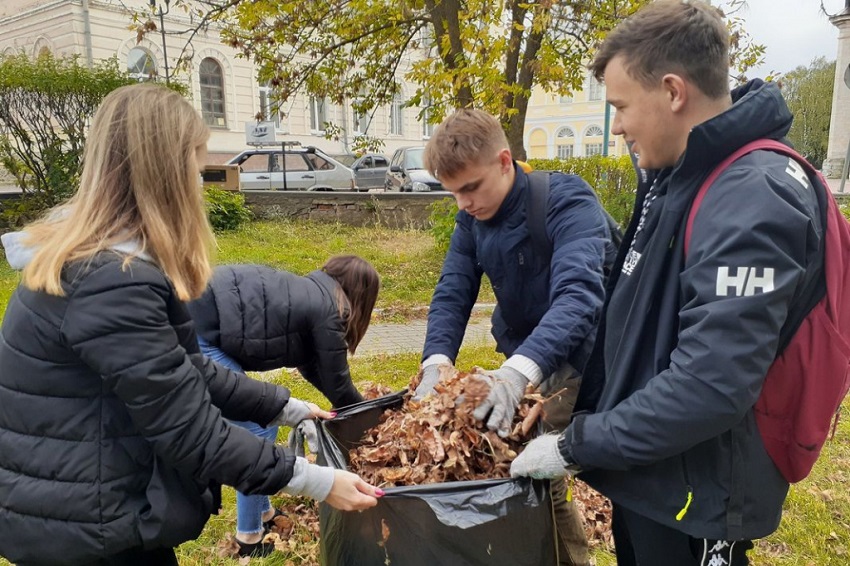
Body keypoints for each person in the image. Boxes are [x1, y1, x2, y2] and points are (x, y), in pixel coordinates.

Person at [0, 84, 381, 566]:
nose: (200, 185)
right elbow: (191, 433)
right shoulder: (111, 282)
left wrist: (288, 407)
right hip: (87, 530)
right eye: (195, 168)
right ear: (165, 174)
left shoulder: (100, 264)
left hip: (80, 509)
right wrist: (319, 482)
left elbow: (188, 370)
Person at [510, 2, 826, 565]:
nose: (620, 125)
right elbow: (638, 316)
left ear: (674, 92)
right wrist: (564, 402)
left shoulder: (751, 196)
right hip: (653, 474)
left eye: (622, 107)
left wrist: (575, 445)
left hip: (700, 491)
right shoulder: (679, 173)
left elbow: (710, 386)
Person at [413, 108, 615, 566]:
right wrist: (435, 361)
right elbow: (452, 291)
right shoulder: (471, 220)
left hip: (587, 358)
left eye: (471, 188)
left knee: (544, 466)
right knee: (534, 466)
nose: (463, 203)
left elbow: (579, 298)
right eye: (453, 193)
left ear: (505, 161)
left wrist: (516, 375)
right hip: (529, 356)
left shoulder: (568, 202)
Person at [185, 255, 379, 557]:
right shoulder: (329, 310)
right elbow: (339, 385)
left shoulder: (310, 293)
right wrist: (371, 418)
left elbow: (314, 368)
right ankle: (249, 538)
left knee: (264, 418)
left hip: (199, 316)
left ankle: (262, 513)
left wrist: (340, 409)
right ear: (362, 294)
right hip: (200, 333)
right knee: (254, 428)